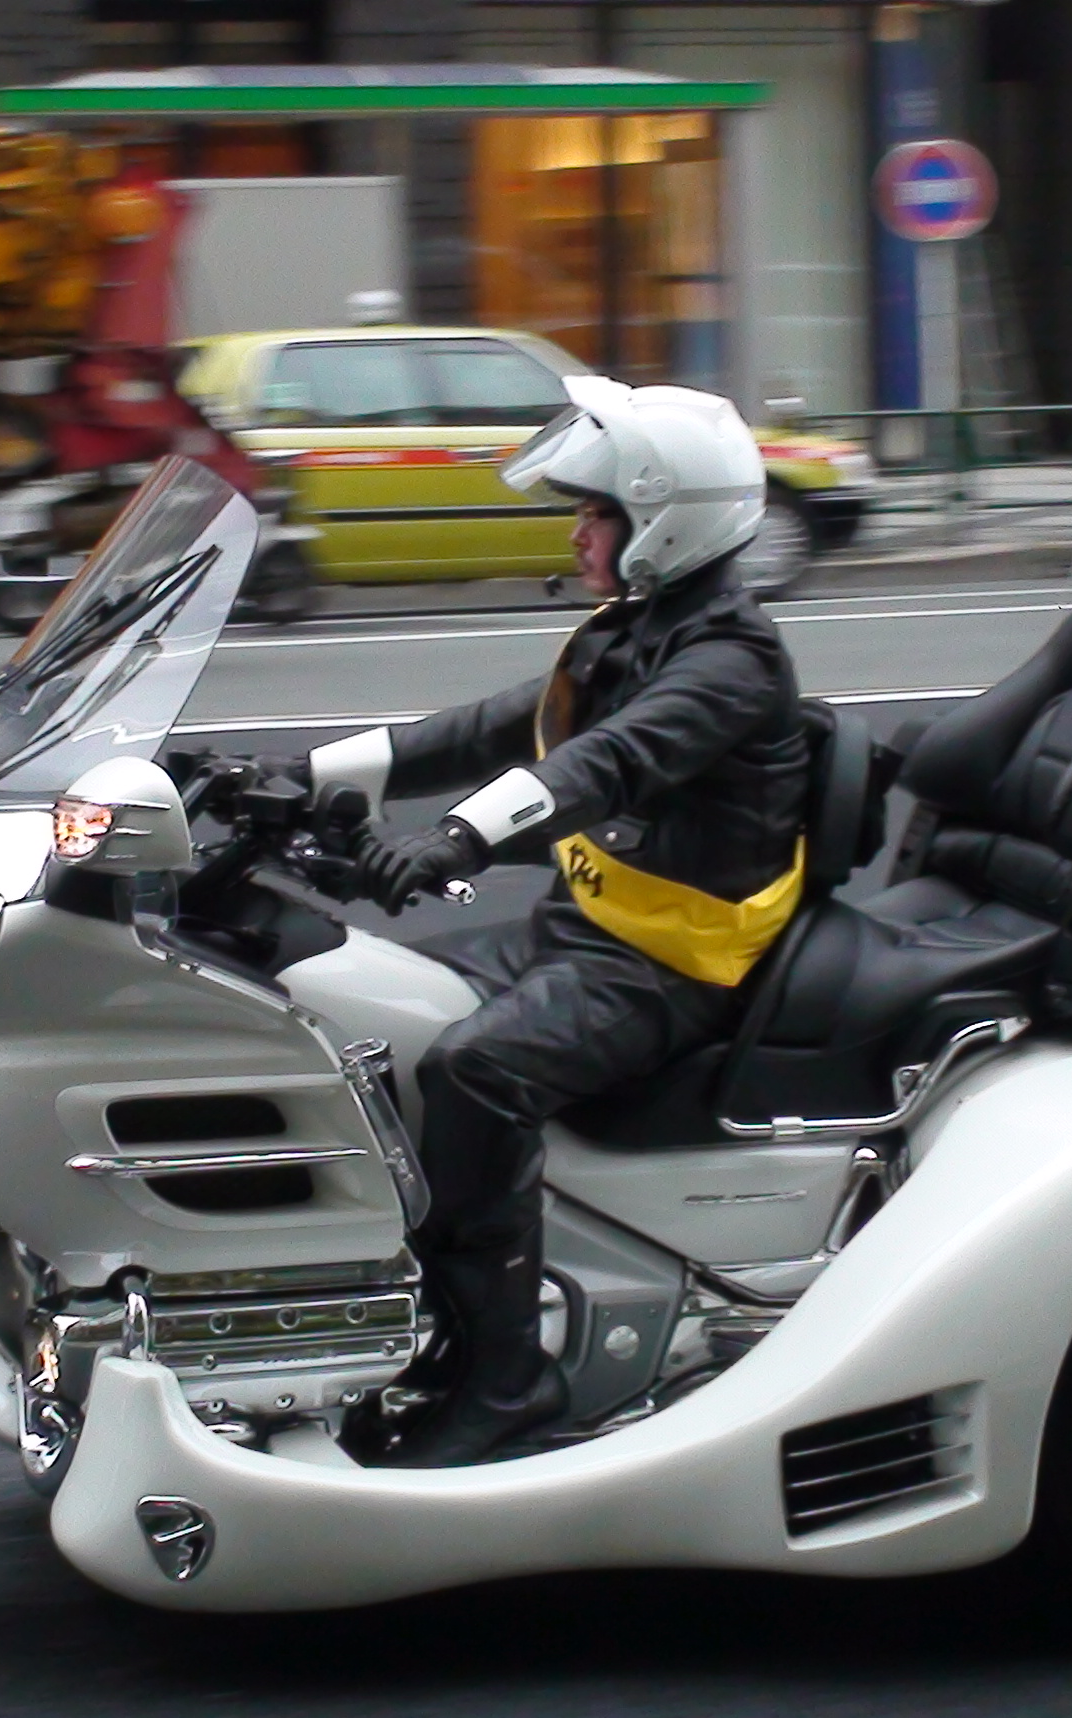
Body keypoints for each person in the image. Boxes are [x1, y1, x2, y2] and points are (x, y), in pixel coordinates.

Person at [289, 378, 810, 1467]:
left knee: (475, 1073)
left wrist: (456, 841)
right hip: (585, 928)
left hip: (670, 965)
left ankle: (505, 1383)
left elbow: (602, 764)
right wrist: (298, 776)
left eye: (598, 513)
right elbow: (488, 730)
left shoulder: (730, 661)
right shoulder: (636, 629)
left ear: (666, 523)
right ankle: (412, 1316)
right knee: (368, 1015)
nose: (576, 531)